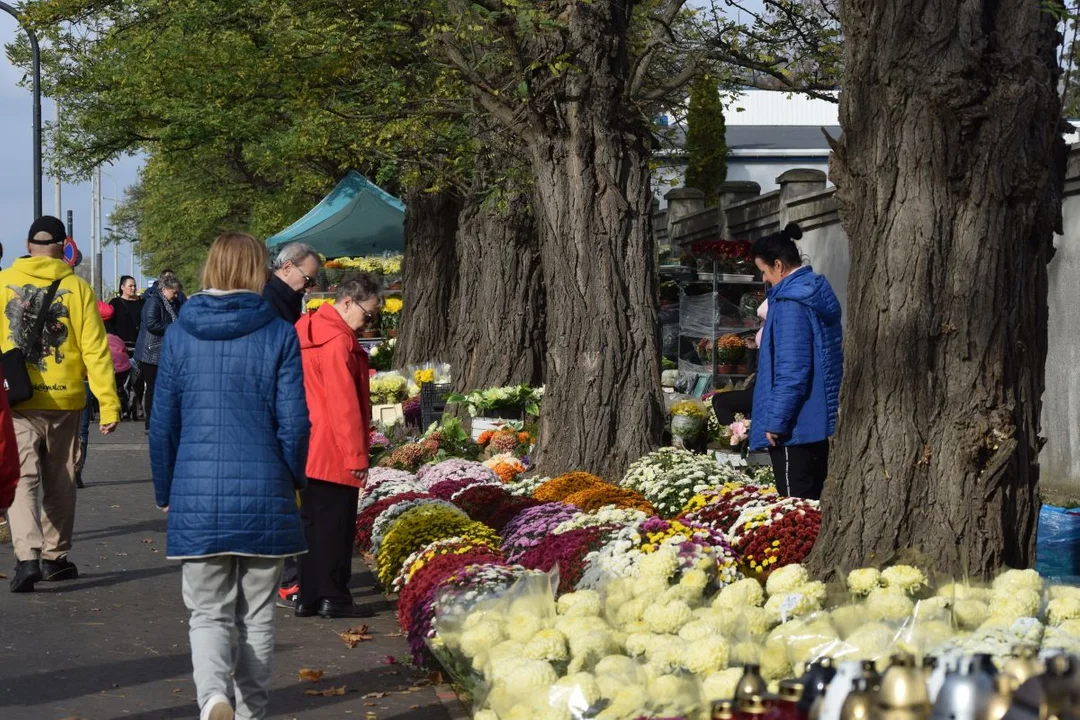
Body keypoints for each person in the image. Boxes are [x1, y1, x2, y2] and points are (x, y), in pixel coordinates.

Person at [150, 232, 309, 720]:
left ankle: (213, 697)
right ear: (259, 271)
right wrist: (291, 478)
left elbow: (162, 425)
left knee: (207, 612)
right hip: (265, 489)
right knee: (257, 615)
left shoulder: (179, 335)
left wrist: (165, 489)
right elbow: (296, 423)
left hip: (196, 493)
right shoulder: (280, 332)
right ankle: (249, 712)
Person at [0, 216, 120, 592]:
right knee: (62, 479)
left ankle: (27, 556)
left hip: (15, 398)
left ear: (27, 243)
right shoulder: (77, 287)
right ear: (63, 244)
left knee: (22, 478)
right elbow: (95, 349)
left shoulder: (3, 282)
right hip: (66, 398)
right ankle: (55, 558)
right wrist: (109, 402)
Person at [294, 273, 381, 619]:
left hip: (309, 441)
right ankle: (334, 597)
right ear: (348, 302)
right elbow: (344, 404)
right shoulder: (338, 341)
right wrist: (357, 455)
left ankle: (310, 595)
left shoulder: (310, 331)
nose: (368, 322)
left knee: (313, 523)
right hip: (334, 447)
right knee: (335, 526)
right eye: (368, 314)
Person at [749, 223, 843, 500]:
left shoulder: (791, 303)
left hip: (795, 428)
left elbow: (793, 370)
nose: (764, 279)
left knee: (795, 510)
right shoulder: (809, 293)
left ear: (778, 265)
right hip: (813, 423)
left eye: (764, 271)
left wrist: (776, 421)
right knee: (813, 506)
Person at [261, 242, 319, 608]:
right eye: (308, 277)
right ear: (287, 267)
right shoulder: (272, 302)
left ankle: (286, 574)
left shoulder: (282, 297)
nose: (310, 286)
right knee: (284, 495)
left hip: (276, 408)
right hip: (276, 410)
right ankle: (288, 578)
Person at [75, 302, 133, 489]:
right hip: (87, 377)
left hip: (74, 379)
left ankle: (70, 467)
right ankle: (76, 467)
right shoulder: (100, 328)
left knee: (72, 428)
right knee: (81, 429)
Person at [135, 273, 182, 432]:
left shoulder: (170, 303)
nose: (175, 296)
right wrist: (174, 328)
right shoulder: (154, 302)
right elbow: (152, 324)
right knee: (153, 388)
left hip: (162, 351)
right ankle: (151, 422)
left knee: (162, 388)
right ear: (164, 289)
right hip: (151, 352)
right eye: (173, 292)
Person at [109, 275, 145, 420]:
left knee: (139, 376)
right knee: (120, 376)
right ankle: (121, 401)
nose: (133, 288)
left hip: (138, 344)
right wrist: (114, 340)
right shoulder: (115, 303)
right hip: (120, 346)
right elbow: (109, 323)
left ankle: (138, 401)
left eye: (134, 285)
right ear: (122, 287)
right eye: (130, 286)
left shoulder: (142, 303)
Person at [263, 243, 320, 324]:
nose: (309, 290)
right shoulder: (263, 299)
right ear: (287, 267)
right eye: (307, 280)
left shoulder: (288, 299)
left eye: (312, 283)